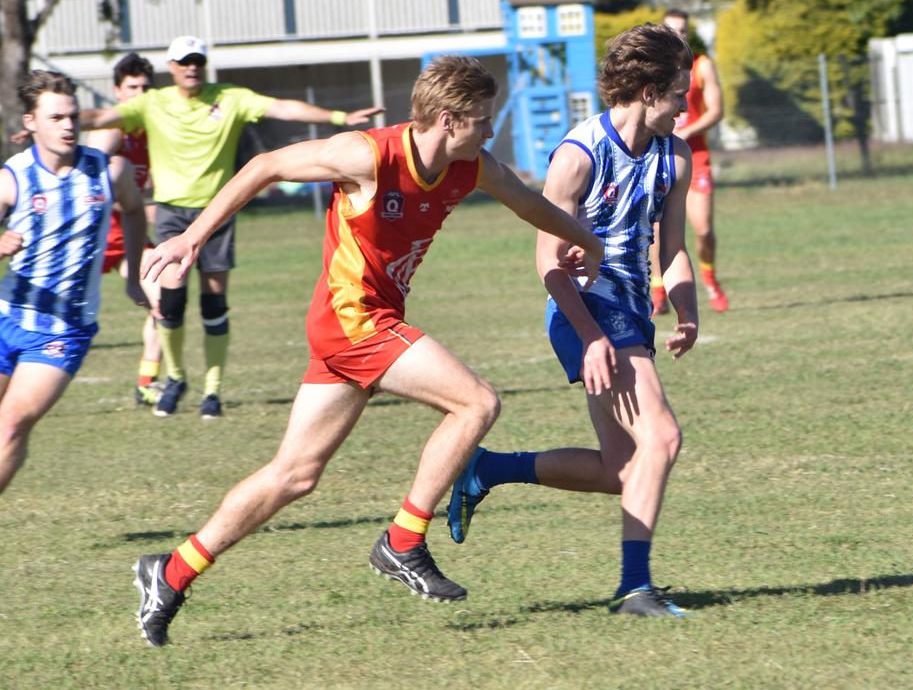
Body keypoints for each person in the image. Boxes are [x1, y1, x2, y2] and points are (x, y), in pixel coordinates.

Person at [130, 55, 606, 647]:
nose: (490, 130)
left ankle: (169, 574)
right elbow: (266, 165)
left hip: (363, 331)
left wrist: (586, 240)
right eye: (482, 120)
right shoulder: (368, 155)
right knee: (476, 403)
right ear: (448, 120)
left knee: (293, 476)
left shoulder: (470, 167)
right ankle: (403, 541)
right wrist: (191, 237)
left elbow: (528, 203)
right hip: (353, 323)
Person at [446, 24, 700, 617]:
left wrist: (685, 306)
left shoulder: (675, 157)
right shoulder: (579, 156)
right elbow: (547, 262)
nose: (686, 107)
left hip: (631, 313)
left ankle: (486, 468)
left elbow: (674, 247)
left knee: (623, 470)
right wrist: (590, 337)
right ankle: (634, 590)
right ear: (646, 88)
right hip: (584, 311)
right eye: (679, 94)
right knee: (662, 438)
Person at [79, 35, 383, 419]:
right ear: (171, 67)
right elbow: (100, 119)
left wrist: (339, 118)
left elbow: (284, 109)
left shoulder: (231, 97)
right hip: (173, 212)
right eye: (184, 61)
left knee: (214, 303)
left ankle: (213, 390)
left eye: (198, 61)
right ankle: (174, 378)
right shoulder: (153, 103)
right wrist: (51, 123)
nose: (192, 67)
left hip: (218, 212)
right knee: (170, 303)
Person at [0, 71, 149, 495]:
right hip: (6, 316)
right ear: (30, 122)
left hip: (64, 331)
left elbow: (135, 212)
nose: (68, 125)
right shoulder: (11, 180)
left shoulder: (109, 171)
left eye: (72, 116)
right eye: (55, 117)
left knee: (10, 425)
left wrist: (134, 277)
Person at [83, 52, 165, 405]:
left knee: (163, 302)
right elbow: (87, 178)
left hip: (127, 233)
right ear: (117, 92)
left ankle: (147, 383)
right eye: (132, 87)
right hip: (90, 233)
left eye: (146, 87)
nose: (140, 93)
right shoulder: (113, 129)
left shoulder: (155, 129)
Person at [649, 8, 728, 315]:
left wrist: (687, 130)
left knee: (704, 228)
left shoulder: (703, 66)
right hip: (662, 154)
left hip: (696, 156)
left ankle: (710, 279)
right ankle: (658, 291)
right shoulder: (655, 70)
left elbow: (716, 110)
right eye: (673, 31)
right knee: (655, 228)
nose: (679, 36)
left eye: (683, 30)